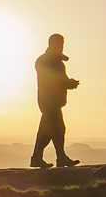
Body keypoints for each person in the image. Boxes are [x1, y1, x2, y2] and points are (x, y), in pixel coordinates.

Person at [31, 33, 80, 168]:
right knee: (58, 129)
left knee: (46, 132)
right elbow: (52, 80)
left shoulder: (53, 61)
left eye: (62, 44)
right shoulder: (46, 61)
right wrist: (68, 83)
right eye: (59, 44)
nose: (61, 47)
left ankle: (37, 158)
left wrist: (68, 83)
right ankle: (61, 157)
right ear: (52, 44)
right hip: (49, 101)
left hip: (51, 100)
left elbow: (58, 80)